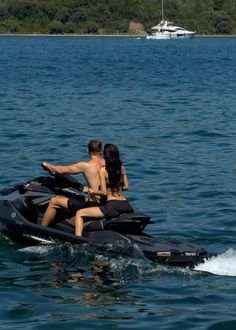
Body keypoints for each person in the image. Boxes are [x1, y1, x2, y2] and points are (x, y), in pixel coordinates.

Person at [41, 139, 105, 227]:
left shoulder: (85, 166)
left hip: (92, 204)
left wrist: (47, 165)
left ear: (88, 151)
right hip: (105, 203)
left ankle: (42, 230)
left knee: (54, 201)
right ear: (101, 150)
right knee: (78, 197)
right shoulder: (107, 164)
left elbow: (61, 170)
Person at [74, 143, 133, 236]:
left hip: (112, 206)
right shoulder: (121, 168)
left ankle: (77, 241)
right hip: (126, 204)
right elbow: (126, 187)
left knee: (79, 213)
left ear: (104, 155)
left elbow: (104, 192)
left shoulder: (103, 170)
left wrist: (92, 191)